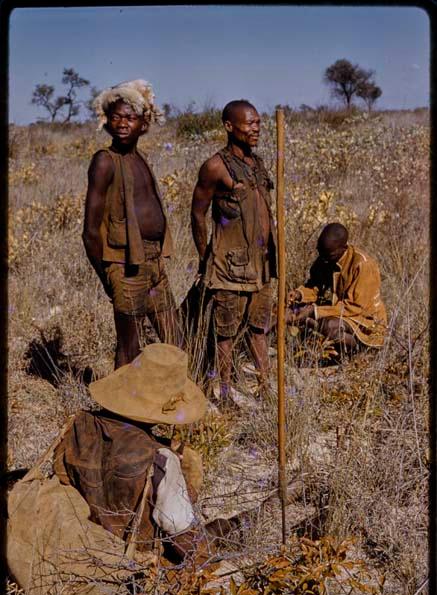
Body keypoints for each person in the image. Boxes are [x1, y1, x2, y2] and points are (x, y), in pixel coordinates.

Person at [53, 343, 242, 565]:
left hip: (78, 545)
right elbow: (185, 540)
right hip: (133, 562)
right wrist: (209, 564)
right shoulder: (161, 460)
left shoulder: (77, 426)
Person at [82, 79, 182, 369]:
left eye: (130, 117)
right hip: (124, 266)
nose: (122, 124)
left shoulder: (140, 158)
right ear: (107, 122)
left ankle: (170, 403)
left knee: (174, 337)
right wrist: (108, 278)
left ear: (144, 122)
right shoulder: (105, 161)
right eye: (116, 117)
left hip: (153, 263)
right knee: (129, 346)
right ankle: (117, 412)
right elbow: (89, 232)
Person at [190, 100, 277, 407]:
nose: (256, 129)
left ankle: (266, 388)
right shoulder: (215, 166)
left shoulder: (257, 163)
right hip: (230, 266)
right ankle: (224, 394)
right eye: (249, 124)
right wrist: (207, 258)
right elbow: (197, 214)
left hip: (263, 264)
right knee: (225, 334)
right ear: (229, 126)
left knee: (259, 327)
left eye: (258, 123)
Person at [287, 222, 387, 354]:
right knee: (295, 313)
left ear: (344, 248)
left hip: (365, 322)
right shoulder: (326, 258)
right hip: (344, 313)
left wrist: (314, 311)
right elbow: (315, 287)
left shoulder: (362, 264)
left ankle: (363, 351)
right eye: (320, 252)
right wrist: (299, 294)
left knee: (329, 325)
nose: (323, 259)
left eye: (329, 255)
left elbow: (354, 307)